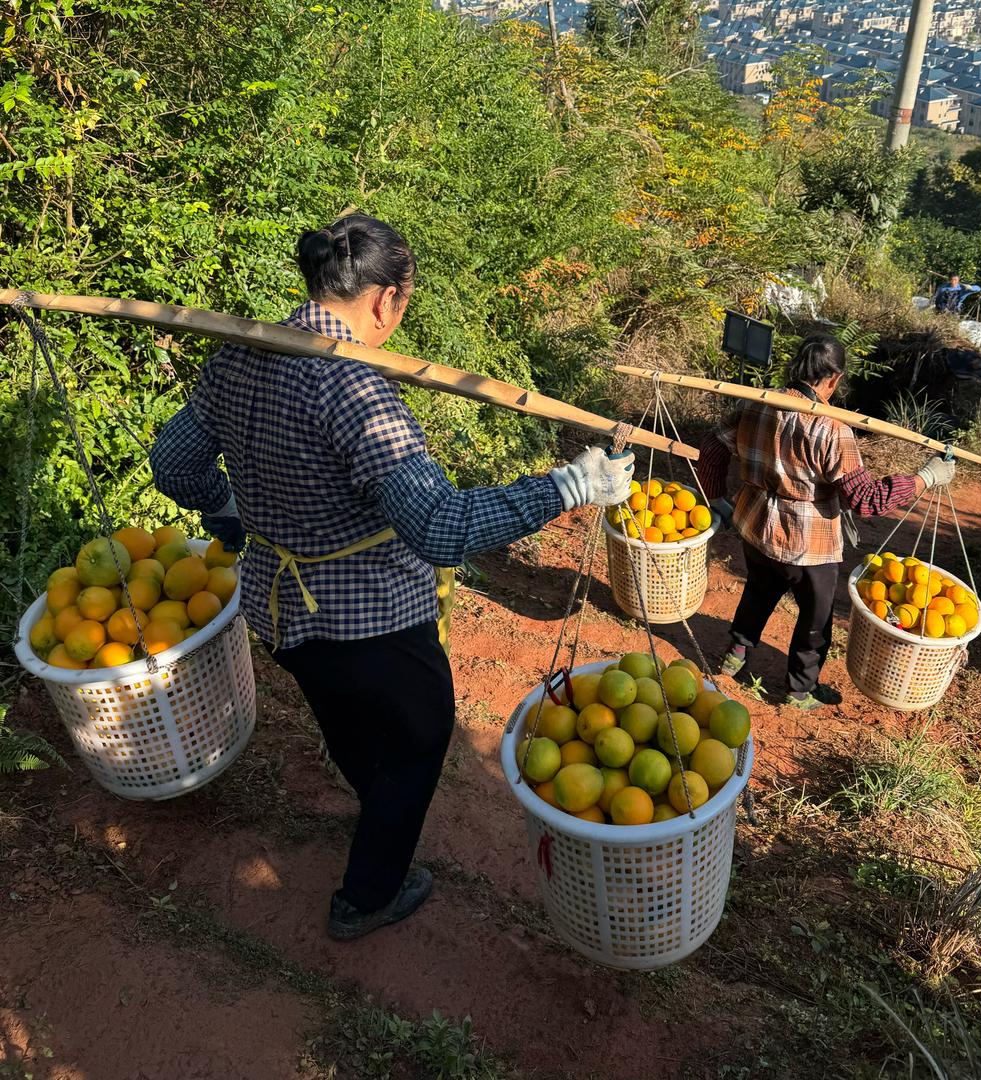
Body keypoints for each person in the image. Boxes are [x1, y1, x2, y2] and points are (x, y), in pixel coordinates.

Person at [150, 213, 634, 940]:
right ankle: (367, 896)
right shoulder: (356, 390)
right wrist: (566, 488)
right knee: (419, 735)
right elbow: (440, 529)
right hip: (364, 619)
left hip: (280, 611)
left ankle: (376, 809)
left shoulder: (238, 357)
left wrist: (226, 508)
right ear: (385, 300)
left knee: (350, 725)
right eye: (404, 303)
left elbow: (174, 464)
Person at [697, 334, 955, 711]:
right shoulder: (833, 430)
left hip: (753, 523)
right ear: (833, 378)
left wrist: (717, 499)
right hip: (808, 541)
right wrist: (925, 478)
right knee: (815, 618)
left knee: (759, 588)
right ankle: (800, 691)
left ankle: (736, 652)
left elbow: (713, 448)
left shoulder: (757, 403)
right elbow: (867, 501)